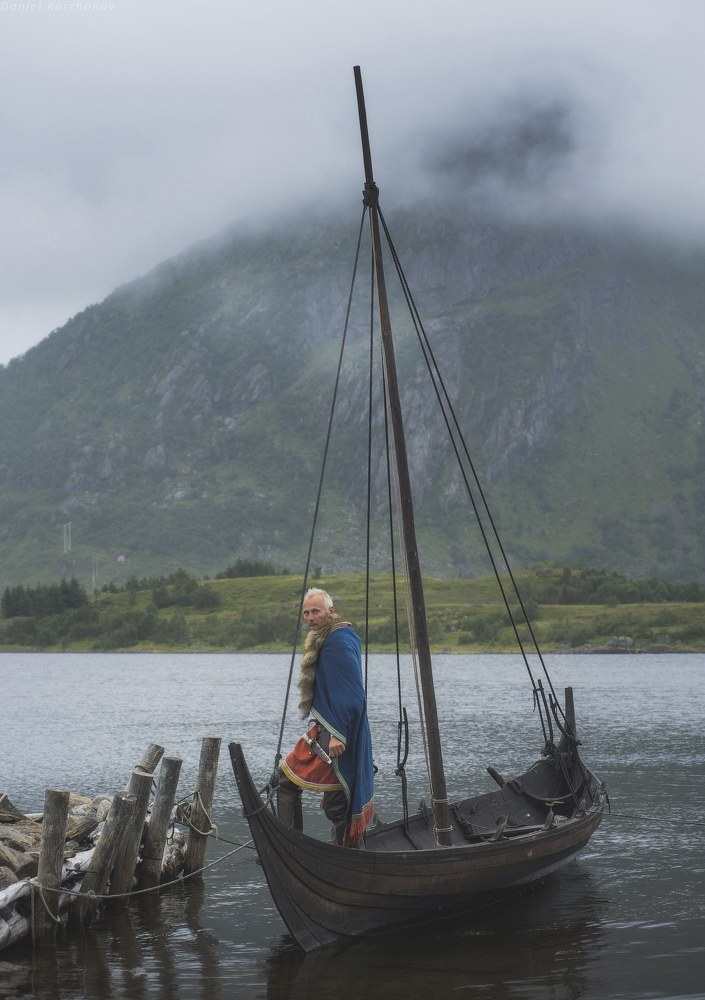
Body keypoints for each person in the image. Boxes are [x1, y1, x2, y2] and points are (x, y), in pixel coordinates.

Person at [277, 587, 374, 847]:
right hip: (329, 728)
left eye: (315, 611)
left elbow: (353, 694)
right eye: (306, 613)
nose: (310, 617)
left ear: (329, 611)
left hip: (336, 732)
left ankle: (293, 846)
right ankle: (335, 852)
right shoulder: (333, 637)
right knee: (333, 798)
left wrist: (338, 734)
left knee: (292, 784)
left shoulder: (338, 641)